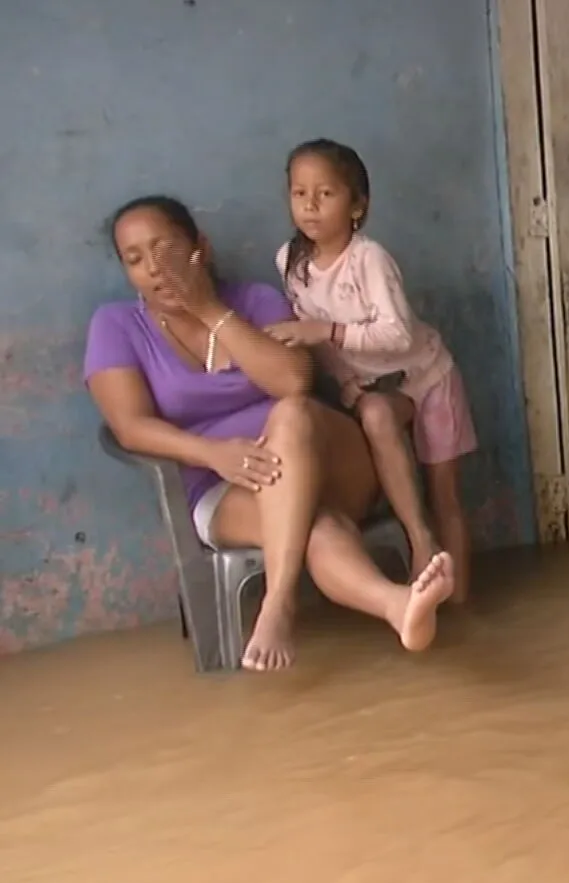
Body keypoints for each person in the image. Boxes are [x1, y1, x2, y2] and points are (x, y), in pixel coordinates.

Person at [85, 195, 455, 672]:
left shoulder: (255, 301)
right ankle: (398, 606)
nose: (155, 270)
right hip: (222, 485)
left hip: (329, 461)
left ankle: (278, 601)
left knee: (292, 414)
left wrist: (209, 309)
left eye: (165, 251)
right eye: (135, 260)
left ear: (201, 248)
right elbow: (129, 426)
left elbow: (293, 382)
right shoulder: (116, 326)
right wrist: (212, 453)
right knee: (317, 527)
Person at [264, 139, 479, 602]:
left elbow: (398, 335)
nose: (311, 205)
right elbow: (312, 345)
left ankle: (460, 605)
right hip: (377, 389)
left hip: (428, 377)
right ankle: (420, 543)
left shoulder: (370, 259)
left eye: (326, 193)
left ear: (357, 204)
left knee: (447, 496)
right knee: (377, 416)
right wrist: (348, 388)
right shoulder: (290, 262)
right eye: (299, 193)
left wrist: (330, 331)